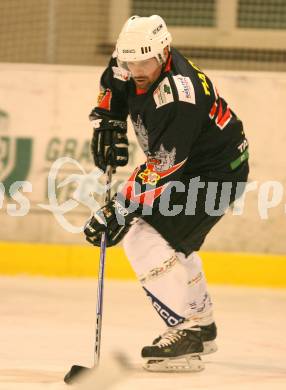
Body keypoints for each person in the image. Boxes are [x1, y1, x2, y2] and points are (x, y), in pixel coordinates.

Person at [84, 15, 249, 372]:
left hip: (215, 175)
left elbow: (163, 166)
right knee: (173, 242)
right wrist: (108, 122)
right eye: (130, 61)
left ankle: (185, 330)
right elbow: (113, 85)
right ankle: (200, 325)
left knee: (142, 235)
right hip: (192, 168)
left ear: (165, 51)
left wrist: (118, 208)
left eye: (145, 61)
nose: (137, 69)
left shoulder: (179, 95)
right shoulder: (128, 61)